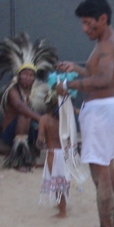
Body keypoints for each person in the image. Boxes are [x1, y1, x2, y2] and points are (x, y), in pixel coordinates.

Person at [56, 0, 114, 227]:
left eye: (88, 23)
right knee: (108, 166)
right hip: (105, 108)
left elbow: (104, 79)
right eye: (83, 24)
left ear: (103, 19)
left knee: (100, 172)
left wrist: (68, 85)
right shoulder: (108, 41)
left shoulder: (107, 45)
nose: (85, 29)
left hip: (100, 111)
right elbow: (98, 75)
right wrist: (77, 69)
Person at [0, 34, 58, 171]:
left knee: (53, 114)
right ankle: (20, 158)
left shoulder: (40, 91)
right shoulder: (12, 90)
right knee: (24, 116)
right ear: (18, 76)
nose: (28, 77)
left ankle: (53, 152)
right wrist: (41, 119)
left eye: (31, 75)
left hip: (32, 131)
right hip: (10, 133)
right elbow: (20, 107)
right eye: (24, 74)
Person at [37, 86, 70, 217]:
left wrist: (39, 145)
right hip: (65, 153)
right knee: (63, 179)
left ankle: (62, 211)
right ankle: (62, 205)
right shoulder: (66, 118)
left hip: (53, 154)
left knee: (56, 181)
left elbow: (40, 139)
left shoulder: (44, 119)